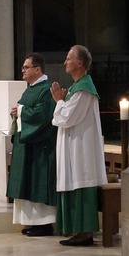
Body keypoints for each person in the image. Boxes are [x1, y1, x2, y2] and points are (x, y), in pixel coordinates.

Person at [50, 45, 108, 246]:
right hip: (74, 147)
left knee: (81, 184)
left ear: (80, 63)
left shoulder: (84, 89)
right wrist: (63, 101)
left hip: (80, 151)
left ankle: (85, 233)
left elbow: (66, 118)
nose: (65, 62)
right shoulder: (77, 88)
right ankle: (78, 230)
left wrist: (58, 101)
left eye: (68, 58)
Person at [6, 53, 57, 237]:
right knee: (26, 183)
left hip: (39, 148)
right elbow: (26, 110)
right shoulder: (30, 88)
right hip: (26, 145)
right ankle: (31, 222)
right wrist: (16, 112)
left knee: (37, 183)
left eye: (26, 67)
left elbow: (43, 116)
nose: (23, 70)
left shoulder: (46, 89)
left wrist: (21, 111)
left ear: (37, 69)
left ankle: (43, 224)